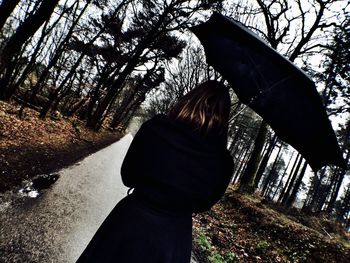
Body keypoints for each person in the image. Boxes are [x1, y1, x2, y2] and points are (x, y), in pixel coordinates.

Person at [76, 80, 234, 263]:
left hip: (129, 221)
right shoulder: (223, 162)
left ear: (190, 99)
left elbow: (127, 176)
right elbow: (204, 204)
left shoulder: (156, 127)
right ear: (224, 116)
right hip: (172, 238)